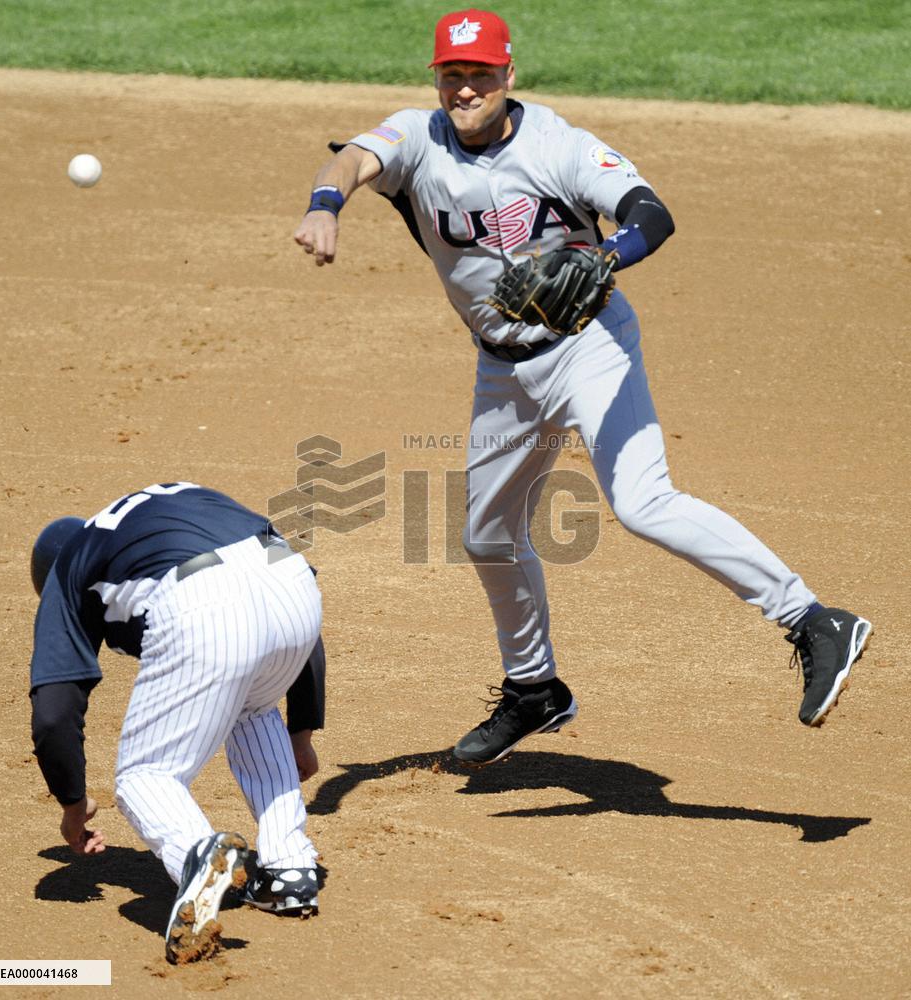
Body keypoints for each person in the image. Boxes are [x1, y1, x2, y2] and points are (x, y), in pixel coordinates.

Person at [293, 9, 872, 766]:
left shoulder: (557, 145)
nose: (464, 90)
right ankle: (534, 689)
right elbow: (351, 163)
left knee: (640, 501)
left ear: (508, 75)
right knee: (487, 537)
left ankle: (811, 619)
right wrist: (324, 206)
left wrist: (606, 258)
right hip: (502, 366)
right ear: (437, 78)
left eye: (479, 75)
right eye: (451, 75)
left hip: (590, 346)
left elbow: (649, 214)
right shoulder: (414, 137)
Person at [29, 481, 326, 964]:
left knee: (145, 777)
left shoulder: (70, 568)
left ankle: (198, 854)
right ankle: (289, 869)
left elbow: (55, 710)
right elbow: (270, 599)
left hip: (203, 600)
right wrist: (301, 730)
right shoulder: (154, 514)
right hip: (292, 580)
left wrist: (72, 802)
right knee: (250, 707)